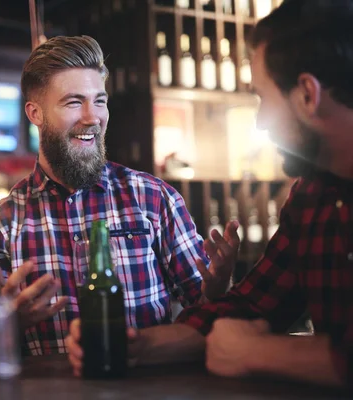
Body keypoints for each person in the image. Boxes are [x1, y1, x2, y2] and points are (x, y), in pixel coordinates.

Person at [66, 0, 352, 389]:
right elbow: (252, 304)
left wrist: (257, 352)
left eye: (263, 98)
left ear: (307, 94)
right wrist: (137, 345)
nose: (260, 121)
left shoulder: (156, 197)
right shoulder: (312, 196)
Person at [0, 35, 240, 356]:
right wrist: (6, 323)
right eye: (74, 102)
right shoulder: (2, 224)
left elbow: (207, 310)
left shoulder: (154, 198)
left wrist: (218, 289)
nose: (92, 117)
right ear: (36, 114)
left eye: (99, 101)